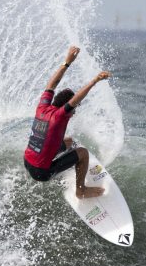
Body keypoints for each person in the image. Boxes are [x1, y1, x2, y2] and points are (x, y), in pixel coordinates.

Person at [23, 46, 111, 198]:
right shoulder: (60, 116)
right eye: (74, 108)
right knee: (83, 153)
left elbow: (51, 85)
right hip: (41, 172)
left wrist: (67, 62)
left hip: (27, 161)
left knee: (69, 141)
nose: (75, 111)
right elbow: (76, 99)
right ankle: (81, 190)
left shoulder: (42, 107)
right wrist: (95, 80)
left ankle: (71, 163)